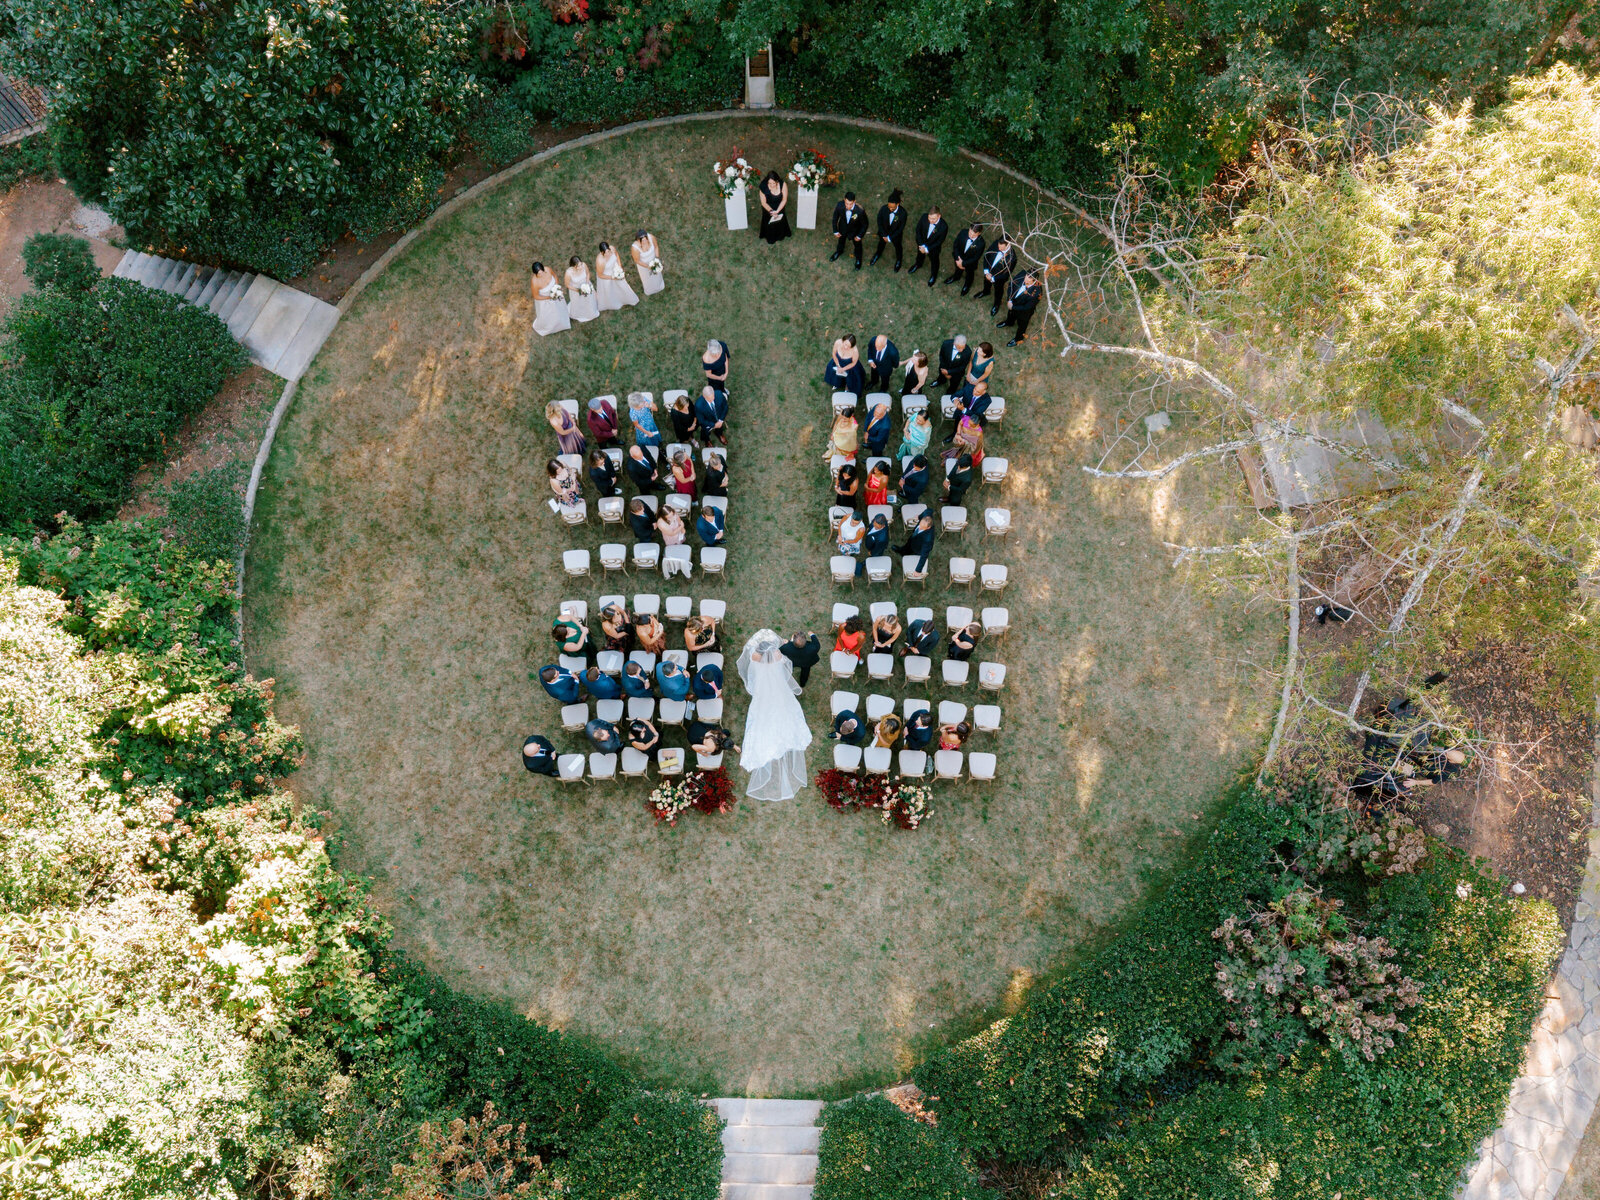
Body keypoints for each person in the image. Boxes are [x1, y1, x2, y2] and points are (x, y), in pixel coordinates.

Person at [998, 271, 1042, 346]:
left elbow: (1027, 307)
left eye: (1029, 279)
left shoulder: (1037, 292)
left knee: (1022, 325)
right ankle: (1009, 322)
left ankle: (1018, 339)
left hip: (1024, 312)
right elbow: (1011, 285)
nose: (1025, 279)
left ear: (1034, 280)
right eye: (1026, 276)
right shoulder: (1021, 275)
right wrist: (1009, 299)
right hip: (1012, 302)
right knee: (1011, 314)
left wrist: (1013, 307)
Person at [595, 241, 639, 311]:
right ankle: (614, 301)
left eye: (609, 251)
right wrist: (612, 277)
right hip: (606, 276)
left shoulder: (612, 248)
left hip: (615, 270)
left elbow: (617, 255)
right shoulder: (600, 261)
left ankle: (627, 299)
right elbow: (600, 275)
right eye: (605, 253)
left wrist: (619, 266)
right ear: (601, 253)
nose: (608, 254)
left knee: (622, 285)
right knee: (610, 290)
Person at [530, 261, 570, 336]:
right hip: (545, 300)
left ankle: (562, 321)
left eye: (542, 272)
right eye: (539, 274)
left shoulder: (548, 269)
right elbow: (536, 296)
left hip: (556, 294)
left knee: (560, 308)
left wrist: (557, 288)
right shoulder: (534, 282)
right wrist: (549, 297)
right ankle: (551, 326)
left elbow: (555, 277)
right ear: (535, 273)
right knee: (550, 315)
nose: (541, 274)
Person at [909, 207, 947, 284]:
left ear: (939, 216)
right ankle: (918, 264)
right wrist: (921, 244)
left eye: (933, 219)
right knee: (920, 255)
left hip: (933, 248)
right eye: (929, 218)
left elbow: (939, 241)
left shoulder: (943, 227)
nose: (931, 221)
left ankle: (934, 275)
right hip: (921, 244)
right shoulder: (924, 217)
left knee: (934, 261)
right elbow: (918, 230)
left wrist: (926, 249)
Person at [830, 191, 869, 267]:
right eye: (846, 203)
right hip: (843, 228)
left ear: (854, 201)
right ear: (844, 200)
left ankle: (858, 258)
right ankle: (839, 251)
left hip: (855, 231)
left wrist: (859, 236)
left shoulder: (860, 211)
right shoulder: (839, 205)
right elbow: (835, 218)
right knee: (841, 241)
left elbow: (865, 224)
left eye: (850, 204)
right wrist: (835, 230)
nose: (848, 206)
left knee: (858, 245)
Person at [945, 223, 986, 293]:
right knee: (957, 269)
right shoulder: (963, 232)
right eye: (970, 233)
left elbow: (976, 257)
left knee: (970, 274)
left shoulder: (981, 243)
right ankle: (956, 277)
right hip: (959, 258)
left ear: (979, 233)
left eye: (974, 235)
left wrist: (963, 263)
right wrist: (958, 259)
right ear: (969, 229)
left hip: (970, 263)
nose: (971, 236)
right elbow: (956, 245)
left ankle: (967, 285)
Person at [871, 189, 907, 270]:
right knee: (881, 244)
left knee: (898, 247)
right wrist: (883, 235)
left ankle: (899, 260)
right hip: (883, 233)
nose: (890, 209)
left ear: (898, 204)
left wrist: (890, 238)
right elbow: (879, 220)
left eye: (892, 207)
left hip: (896, 235)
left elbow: (901, 228)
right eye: (889, 206)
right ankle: (878, 254)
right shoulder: (884, 209)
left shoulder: (903, 213)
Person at [979, 237, 1015, 314]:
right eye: (998, 246)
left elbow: (1006, 275)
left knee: (998, 291)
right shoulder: (996, 243)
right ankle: (986, 291)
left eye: (1001, 247)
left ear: (1008, 245)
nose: (998, 248)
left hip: (998, 279)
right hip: (988, 272)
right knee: (986, 282)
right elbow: (987, 255)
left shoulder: (1012, 258)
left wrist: (993, 278)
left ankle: (996, 304)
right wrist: (986, 271)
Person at [895, 510, 937, 575]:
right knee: (908, 543)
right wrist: (919, 516)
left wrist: (918, 570)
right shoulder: (926, 515)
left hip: (918, 546)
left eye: (922, 528)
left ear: (928, 527)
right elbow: (929, 510)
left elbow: (924, 555)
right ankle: (902, 551)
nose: (919, 528)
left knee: (913, 550)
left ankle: (907, 554)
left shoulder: (928, 540)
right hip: (914, 537)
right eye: (920, 524)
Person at [757, 169, 792, 244]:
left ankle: (781, 235)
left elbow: (784, 199)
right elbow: (763, 203)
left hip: (780, 207)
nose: (772, 185)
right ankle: (770, 237)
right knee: (770, 223)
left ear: (777, 181)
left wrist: (778, 211)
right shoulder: (763, 187)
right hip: (768, 208)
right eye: (770, 183)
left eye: (774, 183)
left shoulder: (783, 184)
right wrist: (771, 211)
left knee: (780, 221)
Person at [564, 255, 600, 323]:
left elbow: (588, 273)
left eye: (580, 264)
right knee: (579, 302)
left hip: (586, 285)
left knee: (589, 299)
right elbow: (567, 284)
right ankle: (580, 313)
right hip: (576, 290)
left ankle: (590, 311)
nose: (580, 267)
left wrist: (587, 284)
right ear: (573, 266)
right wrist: (578, 290)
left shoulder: (584, 265)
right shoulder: (568, 273)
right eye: (578, 266)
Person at [630, 230, 665, 296]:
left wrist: (657, 259)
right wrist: (648, 266)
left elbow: (656, 247)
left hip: (654, 261)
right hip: (644, 266)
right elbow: (637, 261)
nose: (645, 242)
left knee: (657, 275)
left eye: (646, 239)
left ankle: (659, 285)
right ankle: (650, 289)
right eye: (642, 241)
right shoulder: (635, 248)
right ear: (638, 240)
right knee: (648, 279)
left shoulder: (651, 237)